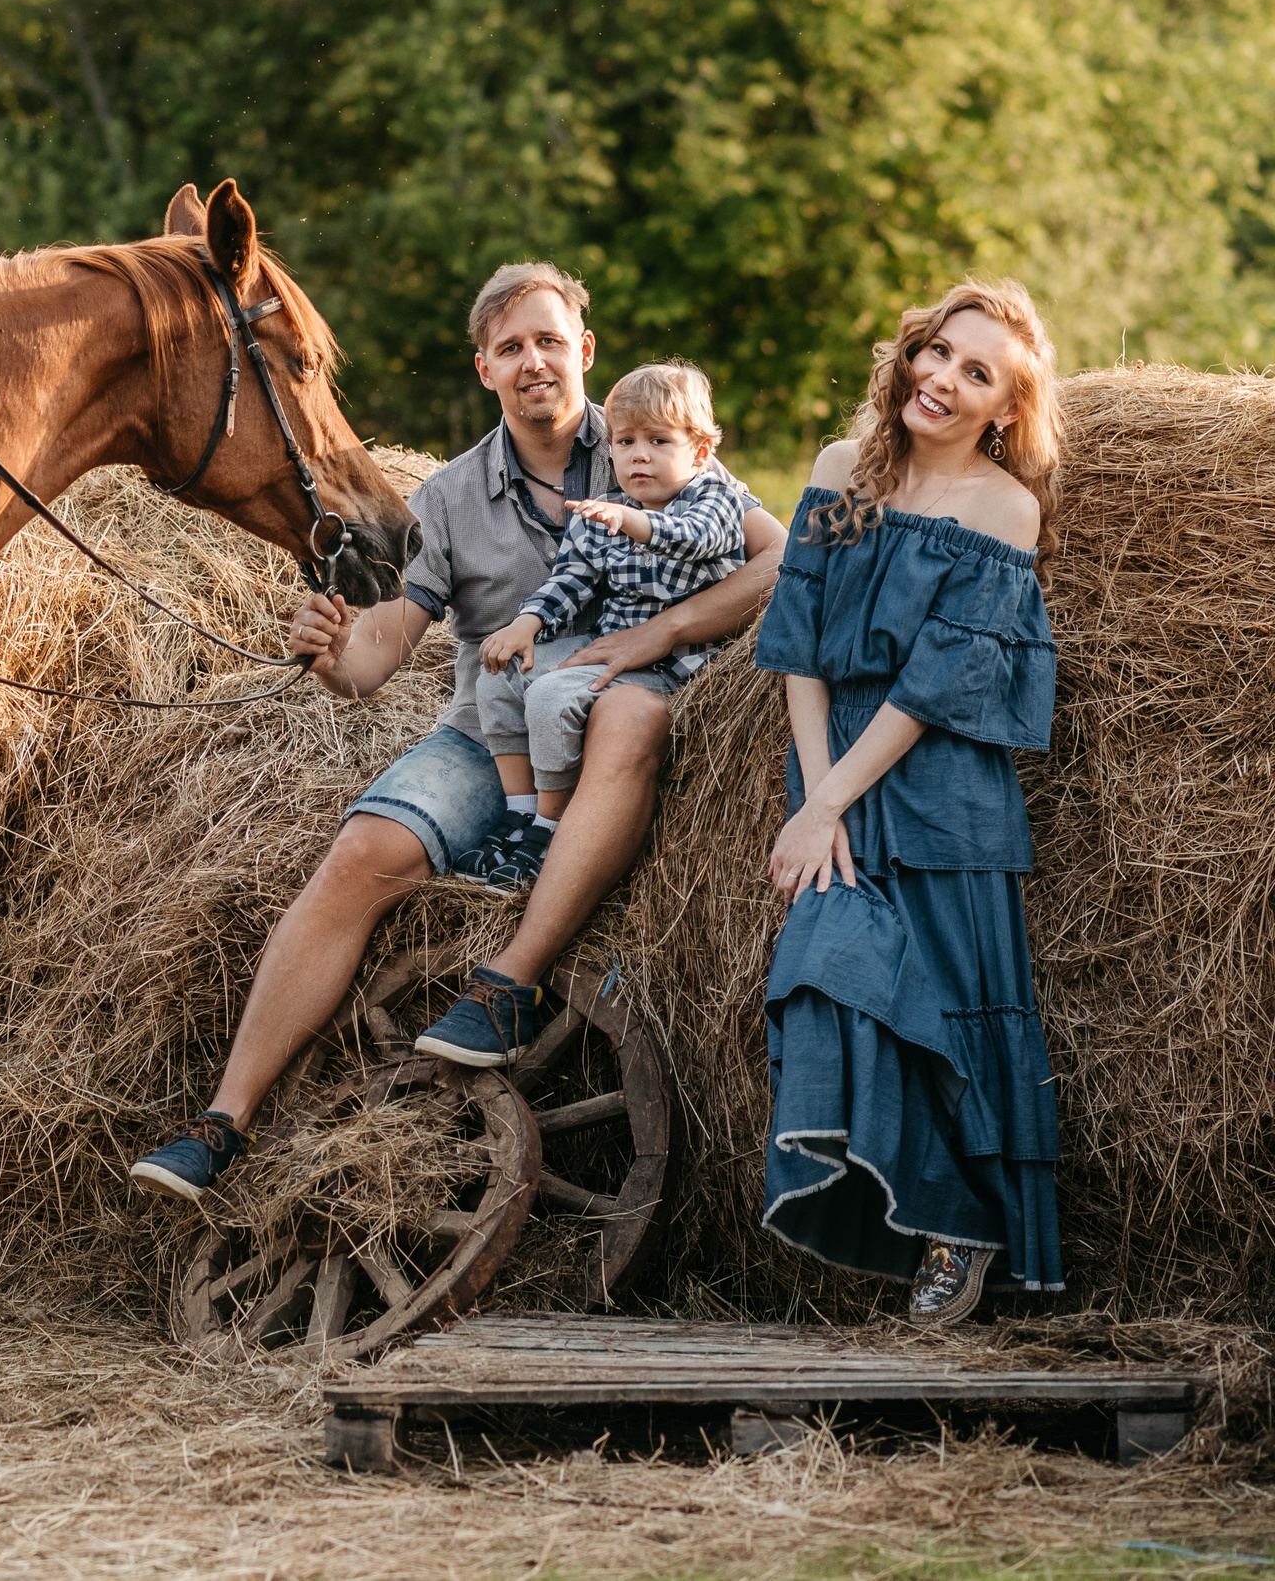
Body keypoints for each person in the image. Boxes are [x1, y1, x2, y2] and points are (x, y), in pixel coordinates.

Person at [129, 264, 786, 1201]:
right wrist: (331, 650)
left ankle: (506, 984)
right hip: (495, 734)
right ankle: (221, 1124)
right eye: (511, 348)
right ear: (484, 369)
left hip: (626, 702)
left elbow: (781, 557)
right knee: (362, 850)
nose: (534, 363)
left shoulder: (654, 436)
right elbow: (375, 662)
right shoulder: (446, 498)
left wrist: (664, 631)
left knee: (632, 710)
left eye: (550, 341)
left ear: (585, 353)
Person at [753, 279, 1063, 1323]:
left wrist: (830, 798)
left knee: (940, 1014)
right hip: (831, 770)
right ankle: (928, 1213)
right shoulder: (846, 471)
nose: (941, 378)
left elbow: (934, 685)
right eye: (937, 351)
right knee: (828, 975)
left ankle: (962, 1229)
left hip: (936, 798)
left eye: (976, 372)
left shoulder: (1002, 508)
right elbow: (798, 641)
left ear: (1004, 410)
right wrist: (813, 796)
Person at [463, 361, 752, 904]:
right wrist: (526, 624)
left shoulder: (716, 501)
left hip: (674, 665)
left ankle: (549, 829)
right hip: (611, 646)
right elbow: (569, 582)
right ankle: (519, 814)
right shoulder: (604, 512)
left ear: (699, 451)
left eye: (658, 440)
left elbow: (693, 538)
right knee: (498, 679)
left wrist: (634, 524)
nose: (639, 454)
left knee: (550, 696)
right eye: (625, 441)